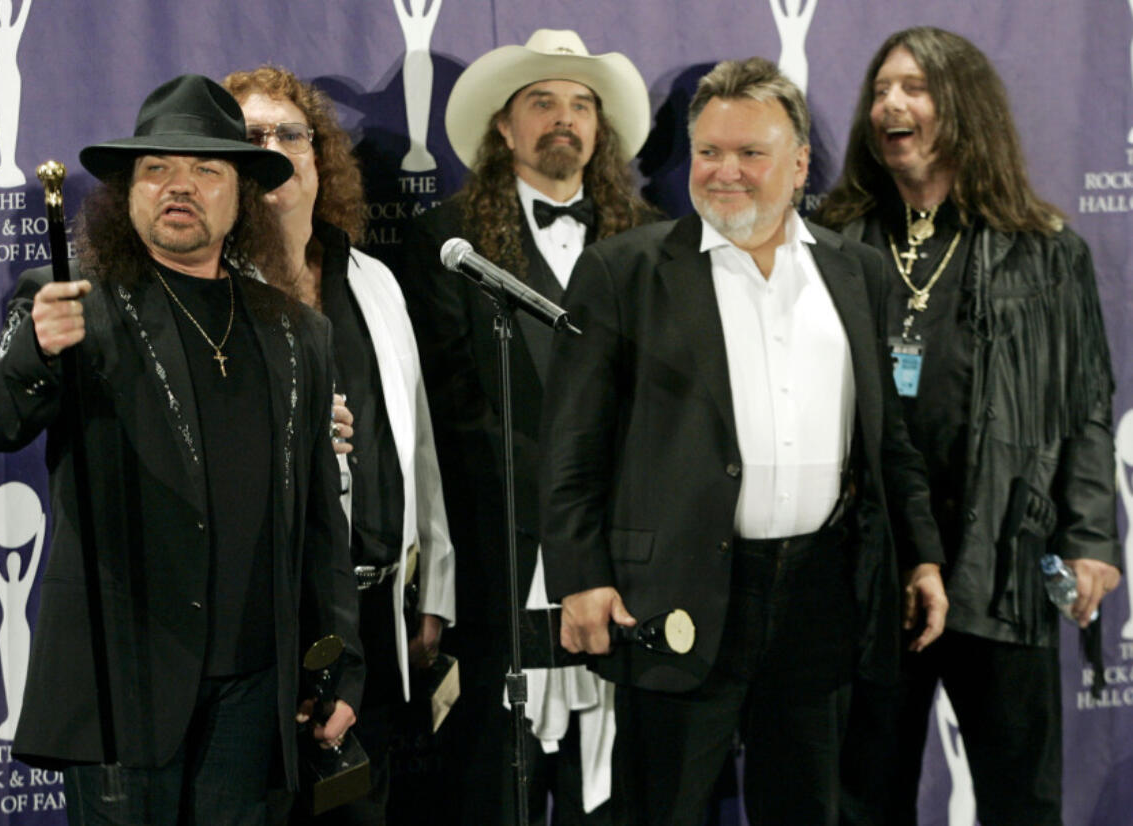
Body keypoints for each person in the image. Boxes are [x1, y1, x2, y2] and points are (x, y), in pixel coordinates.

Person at [539, 57, 948, 826]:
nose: (724, 172)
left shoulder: (857, 273)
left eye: (750, 153)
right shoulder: (622, 272)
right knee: (661, 807)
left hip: (821, 597)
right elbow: (571, 448)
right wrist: (579, 576)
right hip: (675, 596)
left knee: (809, 807)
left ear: (798, 166)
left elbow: (890, 439)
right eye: (708, 152)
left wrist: (920, 553)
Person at [0, 74, 363, 826]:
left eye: (206, 170)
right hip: (124, 689)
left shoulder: (297, 332)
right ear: (128, 193)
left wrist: (341, 664)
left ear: (242, 193)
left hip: (255, 696)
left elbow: (320, 520)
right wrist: (35, 355)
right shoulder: (72, 302)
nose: (179, 187)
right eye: (157, 170)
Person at [815, 27, 1122, 826]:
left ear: (964, 108)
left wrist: (1089, 538)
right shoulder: (837, 242)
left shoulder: (1046, 252)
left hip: (1003, 561)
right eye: (882, 89)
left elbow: (1087, 402)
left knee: (1021, 798)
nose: (891, 103)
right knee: (861, 798)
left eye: (914, 87)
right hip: (874, 572)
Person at [398, 28, 654, 825]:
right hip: (495, 564)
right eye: (541, 102)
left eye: (581, 104)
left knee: (608, 789)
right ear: (503, 127)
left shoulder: (650, 242)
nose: (564, 119)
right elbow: (447, 409)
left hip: (626, 561)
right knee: (491, 783)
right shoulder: (444, 241)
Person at [223, 64, 456, 825]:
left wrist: (435, 591)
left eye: (292, 134)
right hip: (263, 630)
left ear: (320, 158)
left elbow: (416, 443)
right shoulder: (208, 294)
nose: (275, 149)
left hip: (378, 617)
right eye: (250, 137)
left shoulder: (375, 281)